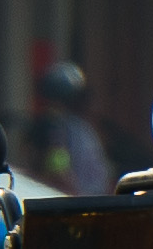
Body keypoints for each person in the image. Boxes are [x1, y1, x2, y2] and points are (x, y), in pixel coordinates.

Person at [22, 60, 111, 193]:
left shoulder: (80, 128)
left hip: (88, 199)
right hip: (68, 200)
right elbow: (58, 166)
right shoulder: (54, 126)